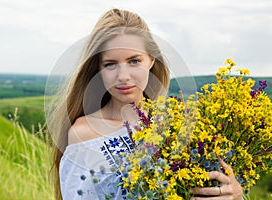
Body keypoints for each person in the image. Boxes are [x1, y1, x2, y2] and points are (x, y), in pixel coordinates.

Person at [48, 8, 243, 200]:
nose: (123, 76)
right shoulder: (85, 134)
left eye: (134, 61)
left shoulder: (181, 124)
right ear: (98, 68)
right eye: (110, 64)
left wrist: (235, 195)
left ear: (151, 60)